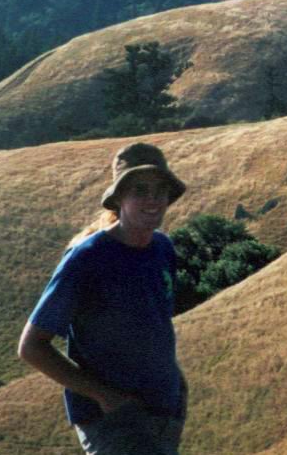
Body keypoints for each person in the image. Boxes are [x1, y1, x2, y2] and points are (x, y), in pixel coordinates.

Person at [18, 142, 188, 455]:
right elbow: (31, 347)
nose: (152, 200)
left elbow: (155, 325)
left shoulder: (163, 249)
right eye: (140, 190)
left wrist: (176, 385)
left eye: (160, 190)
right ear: (118, 198)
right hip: (114, 422)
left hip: (165, 412)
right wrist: (105, 397)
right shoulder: (88, 258)